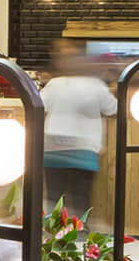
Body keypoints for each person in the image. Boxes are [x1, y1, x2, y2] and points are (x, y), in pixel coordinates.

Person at [38, 39, 117, 220]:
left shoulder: (55, 84)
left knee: (54, 197)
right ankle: (81, 232)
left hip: (53, 148)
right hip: (83, 150)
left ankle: (54, 233)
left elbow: (37, 105)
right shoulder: (96, 85)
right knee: (81, 198)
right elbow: (113, 109)